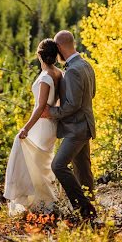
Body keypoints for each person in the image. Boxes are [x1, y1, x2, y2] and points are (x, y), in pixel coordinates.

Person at [42, 30, 97, 221]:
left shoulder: (73, 70)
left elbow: (73, 104)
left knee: (58, 166)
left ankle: (84, 208)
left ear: (59, 48)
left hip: (77, 129)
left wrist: (52, 112)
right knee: (83, 169)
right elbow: (92, 94)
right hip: (86, 125)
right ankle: (91, 208)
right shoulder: (86, 64)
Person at [4, 38, 63, 215]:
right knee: (41, 164)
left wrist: (26, 128)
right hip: (51, 123)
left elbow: (41, 106)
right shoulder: (59, 73)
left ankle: (44, 204)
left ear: (39, 55)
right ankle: (45, 201)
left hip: (42, 125)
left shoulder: (46, 77)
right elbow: (56, 101)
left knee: (35, 163)